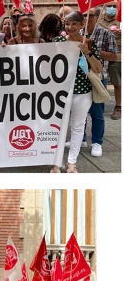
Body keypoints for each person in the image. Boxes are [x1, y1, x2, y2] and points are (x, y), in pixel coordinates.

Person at [51, 11, 102, 173]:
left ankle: (72, 163)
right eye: (67, 23)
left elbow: (98, 68)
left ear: (81, 25)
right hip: (60, 92)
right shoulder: (58, 41)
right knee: (57, 127)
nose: (70, 27)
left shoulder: (88, 43)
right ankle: (56, 163)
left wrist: (87, 52)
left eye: (74, 24)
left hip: (82, 92)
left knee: (78, 127)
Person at [73, 7, 118, 157]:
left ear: (97, 16)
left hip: (97, 78)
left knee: (97, 112)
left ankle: (97, 142)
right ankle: (82, 139)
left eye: (90, 15)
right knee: (80, 112)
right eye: (84, 15)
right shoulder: (78, 34)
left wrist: (93, 51)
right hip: (80, 79)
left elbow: (113, 56)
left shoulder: (106, 33)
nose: (87, 17)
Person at [96, 0, 121, 120]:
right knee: (100, 80)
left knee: (117, 83)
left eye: (114, 6)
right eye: (109, 6)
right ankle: (98, 103)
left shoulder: (121, 19)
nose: (111, 8)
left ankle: (118, 107)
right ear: (104, 6)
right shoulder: (98, 20)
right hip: (101, 55)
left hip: (117, 55)